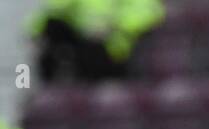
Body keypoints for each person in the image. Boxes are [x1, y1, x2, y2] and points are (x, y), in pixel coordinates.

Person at [30, 0, 166, 83]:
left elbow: (150, 12)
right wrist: (35, 32)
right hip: (83, 39)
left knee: (92, 48)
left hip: (113, 48)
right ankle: (47, 85)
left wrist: (112, 26)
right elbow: (54, 9)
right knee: (52, 26)